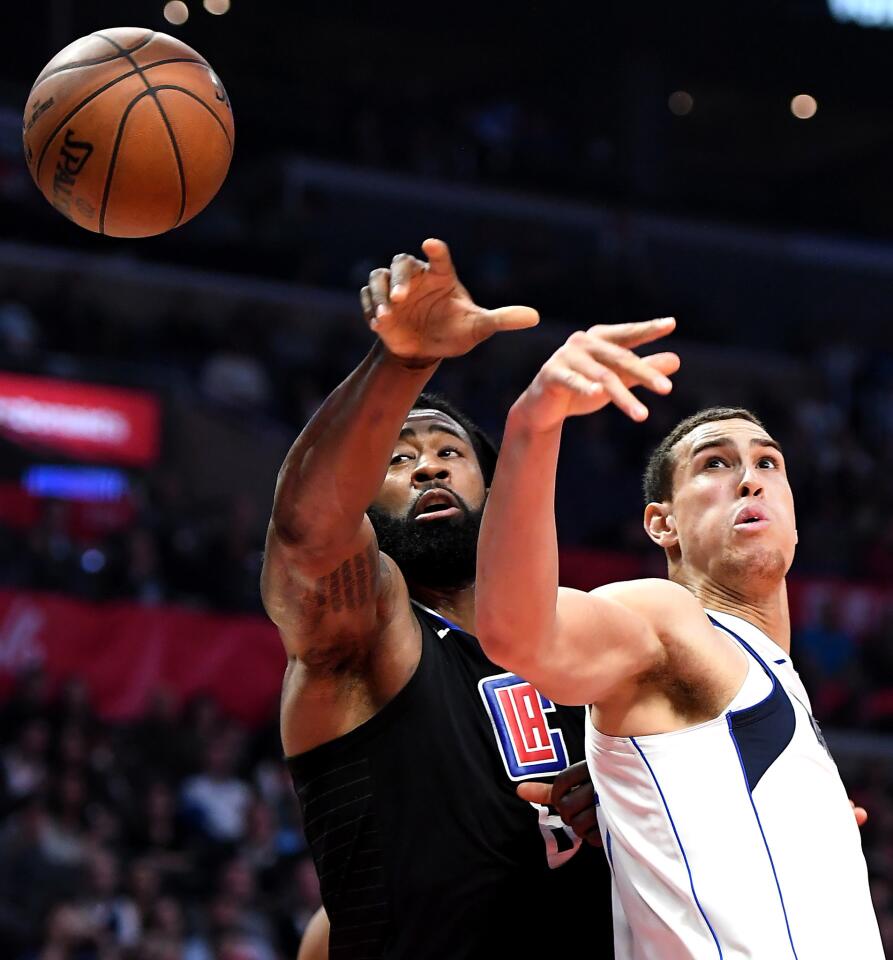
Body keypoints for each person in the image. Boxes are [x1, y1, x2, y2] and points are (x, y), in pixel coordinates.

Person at [475, 318, 884, 958]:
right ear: (661, 523)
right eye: (715, 463)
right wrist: (536, 422)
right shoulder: (668, 618)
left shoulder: (776, 685)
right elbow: (517, 630)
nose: (750, 478)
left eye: (767, 463)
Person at [261, 240, 618, 959]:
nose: (426, 463)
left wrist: (633, 796)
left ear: (493, 488)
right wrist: (403, 362)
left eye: (449, 452)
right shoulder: (365, 634)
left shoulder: (586, 638)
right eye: (396, 458)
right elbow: (307, 533)